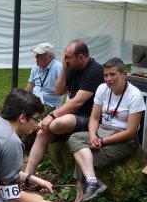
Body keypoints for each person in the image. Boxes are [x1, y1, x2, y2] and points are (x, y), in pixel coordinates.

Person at [68, 58, 146, 201]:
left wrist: (102, 141)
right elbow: (94, 118)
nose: (108, 79)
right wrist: (92, 136)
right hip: (102, 131)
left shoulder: (135, 95)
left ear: (124, 75)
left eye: (113, 74)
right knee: (74, 138)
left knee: (83, 157)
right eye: (106, 75)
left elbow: (131, 132)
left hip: (124, 139)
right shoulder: (102, 89)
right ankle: (92, 181)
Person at [25, 39, 104, 175]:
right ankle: (27, 176)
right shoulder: (72, 68)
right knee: (42, 134)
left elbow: (77, 102)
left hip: (89, 118)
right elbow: (59, 91)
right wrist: (64, 70)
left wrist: (51, 116)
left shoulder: (95, 70)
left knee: (60, 122)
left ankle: (43, 125)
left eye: (68, 57)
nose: (65, 60)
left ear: (80, 57)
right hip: (73, 115)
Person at [25, 42, 63, 115]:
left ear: (50, 56)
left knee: (28, 115)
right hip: (35, 101)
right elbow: (30, 85)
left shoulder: (58, 67)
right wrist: (21, 99)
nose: (36, 57)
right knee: (17, 108)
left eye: (39, 55)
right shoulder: (35, 67)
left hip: (51, 105)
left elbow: (65, 89)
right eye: (36, 54)